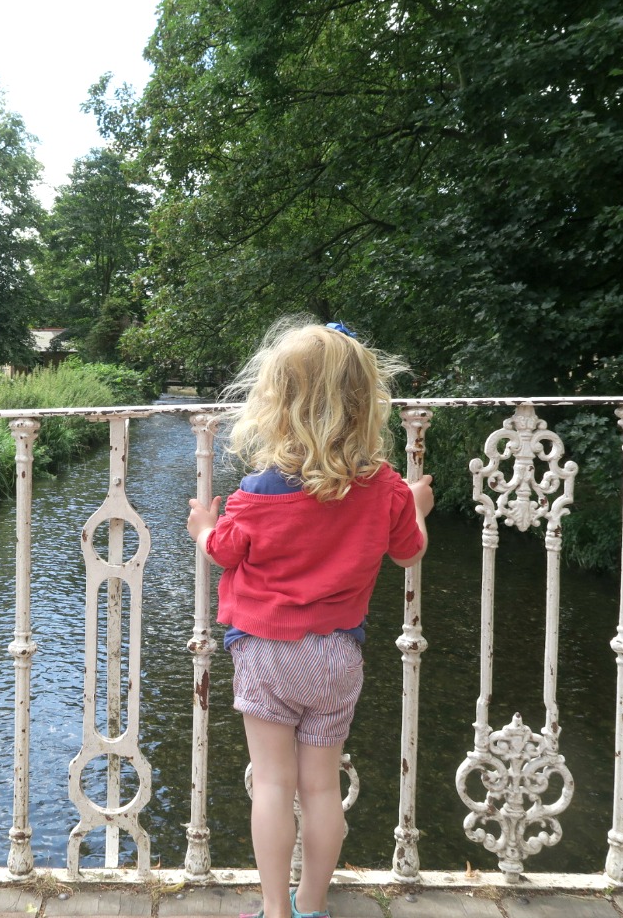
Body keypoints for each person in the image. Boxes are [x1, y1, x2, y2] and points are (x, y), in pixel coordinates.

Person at [187, 320, 433, 918]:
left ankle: (275, 912)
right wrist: (420, 509)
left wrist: (203, 529)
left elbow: (225, 552)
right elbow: (408, 553)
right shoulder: (387, 487)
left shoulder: (255, 492)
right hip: (338, 655)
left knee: (272, 783)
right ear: (363, 402)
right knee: (321, 788)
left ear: (277, 402)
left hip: (268, 653)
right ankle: (313, 906)